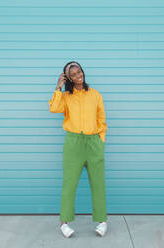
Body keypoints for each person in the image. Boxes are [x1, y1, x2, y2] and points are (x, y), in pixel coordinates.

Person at [48, 61, 108, 238]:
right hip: (73, 143)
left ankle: (102, 220)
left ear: (83, 72)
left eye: (79, 71)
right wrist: (58, 88)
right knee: (69, 184)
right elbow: (53, 108)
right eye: (73, 74)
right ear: (69, 78)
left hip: (93, 143)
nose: (78, 75)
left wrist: (100, 141)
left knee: (98, 183)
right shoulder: (66, 96)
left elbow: (101, 119)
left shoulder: (95, 94)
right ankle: (64, 222)